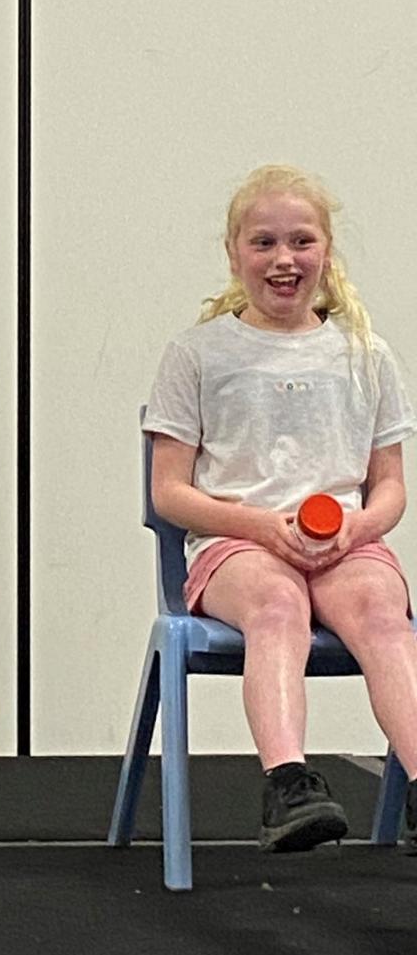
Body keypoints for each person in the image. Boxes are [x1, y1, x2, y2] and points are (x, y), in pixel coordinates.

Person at [144, 163, 417, 852]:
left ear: (326, 249)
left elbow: (389, 487)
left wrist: (357, 526)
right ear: (234, 252)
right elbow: (170, 490)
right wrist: (261, 526)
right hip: (238, 545)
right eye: (263, 242)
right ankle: (289, 783)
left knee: (382, 614)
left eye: (301, 241)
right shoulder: (197, 354)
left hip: (345, 543)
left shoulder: (367, 355)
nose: (283, 259)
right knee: (276, 606)